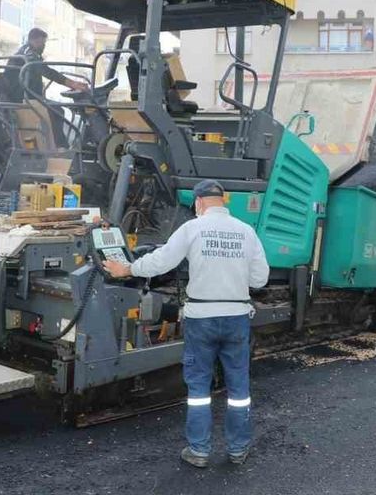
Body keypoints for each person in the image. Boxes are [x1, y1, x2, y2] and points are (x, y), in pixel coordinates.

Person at [103, 179, 269, 467]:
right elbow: (260, 279)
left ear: (199, 202)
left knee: (199, 387)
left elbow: (161, 262)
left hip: (201, 318)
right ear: (223, 201)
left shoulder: (193, 228)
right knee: (239, 387)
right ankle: (238, 449)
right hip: (236, 317)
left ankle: (199, 451)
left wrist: (126, 269)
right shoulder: (246, 231)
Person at [6, 27, 87, 149]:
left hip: (23, 98)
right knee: (58, 111)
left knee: (55, 109)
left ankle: (55, 145)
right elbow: (46, 71)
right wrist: (72, 84)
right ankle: (60, 147)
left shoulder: (21, 52)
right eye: (42, 43)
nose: (43, 46)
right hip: (26, 99)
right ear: (33, 40)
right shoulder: (29, 54)